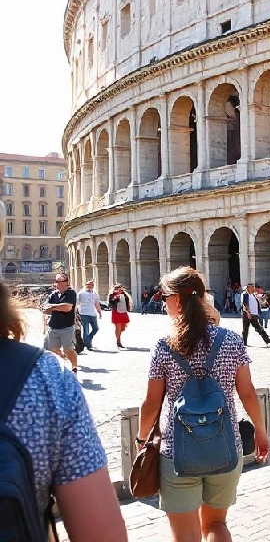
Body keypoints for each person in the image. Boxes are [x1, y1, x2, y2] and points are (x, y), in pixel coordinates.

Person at [0, 199, 127, 541]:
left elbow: (66, 306)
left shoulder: (46, 377)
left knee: (67, 350)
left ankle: (76, 363)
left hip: (64, 329)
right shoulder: (41, 383)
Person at [137, 266, 270, 542]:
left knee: (185, 537)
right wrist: (260, 429)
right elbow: (247, 393)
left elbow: (151, 403)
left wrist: (141, 439)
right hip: (225, 446)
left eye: (164, 297)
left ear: (176, 299)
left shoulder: (164, 346)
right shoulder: (231, 339)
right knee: (216, 525)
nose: (163, 303)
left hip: (177, 454)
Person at [43, 272, 78, 373]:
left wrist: (53, 307)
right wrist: (57, 307)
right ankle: (63, 359)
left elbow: (67, 308)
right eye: (56, 281)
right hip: (53, 326)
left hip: (66, 326)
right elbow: (45, 309)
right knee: (53, 349)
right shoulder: (53, 294)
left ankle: (74, 366)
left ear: (66, 282)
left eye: (58, 281)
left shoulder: (71, 293)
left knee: (69, 349)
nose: (56, 283)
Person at [77, 279, 102, 351]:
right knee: (86, 330)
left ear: (93, 286)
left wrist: (99, 312)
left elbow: (97, 304)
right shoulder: (81, 293)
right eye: (88, 285)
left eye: (91, 285)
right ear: (85, 285)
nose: (90, 286)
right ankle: (88, 345)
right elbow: (77, 304)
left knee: (96, 329)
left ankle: (87, 341)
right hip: (83, 314)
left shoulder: (95, 294)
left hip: (93, 314)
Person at [108, 284, 132, 349]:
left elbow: (127, 302)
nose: (119, 290)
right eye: (117, 288)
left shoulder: (124, 295)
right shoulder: (112, 295)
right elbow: (110, 302)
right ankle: (118, 341)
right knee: (118, 327)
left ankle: (118, 336)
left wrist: (129, 308)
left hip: (123, 312)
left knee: (123, 328)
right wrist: (115, 298)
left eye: (120, 288)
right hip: (116, 312)